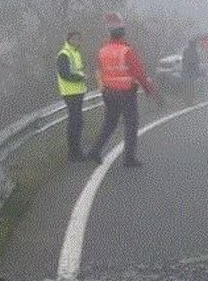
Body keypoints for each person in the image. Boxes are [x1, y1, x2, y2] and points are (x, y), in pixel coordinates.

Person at [87, 13, 162, 167]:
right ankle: (129, 159)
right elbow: (139, 73)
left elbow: (100, 72)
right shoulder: (127, 51)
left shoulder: (102, 51)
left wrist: (103, 90)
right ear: (123, 32)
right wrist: (149, 90)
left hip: (109, 92)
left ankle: (94, 151)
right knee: (131, 124)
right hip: (126, 93)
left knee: (110, 123)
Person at [56, 31, 87, 161]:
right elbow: (65, 74)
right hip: (70, 93)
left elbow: (77, 69)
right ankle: (73, 153)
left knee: (78, 122)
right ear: (68, 40)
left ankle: (77, 151)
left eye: (78, 39)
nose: (76, 41)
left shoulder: (75, 53)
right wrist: (80, 78)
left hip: (78, 92)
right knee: (74, 122)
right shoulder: (64, 54)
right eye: (74, 39)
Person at [181, 38, 202, 106]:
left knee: (186, 86)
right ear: (194, 45)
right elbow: (196, 63)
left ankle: (185, 100)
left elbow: (183, 61)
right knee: (191, 87)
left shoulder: (185, 51)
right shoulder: (195, 52)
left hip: (185, 71)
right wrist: (198, 72)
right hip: (191, 72)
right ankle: (191, 101)